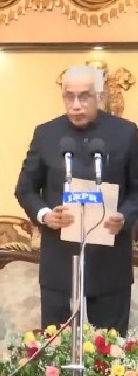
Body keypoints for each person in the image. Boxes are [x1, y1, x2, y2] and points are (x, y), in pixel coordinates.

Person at [14, 65, 138, 335]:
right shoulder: (46, 134)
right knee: (55, 350)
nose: (76, 105)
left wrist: (124, 216)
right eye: (69, 96)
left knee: (110, 353)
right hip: (60, 264)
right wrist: (45, 214)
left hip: (109, 263)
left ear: (100, 97)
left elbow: (136, 190)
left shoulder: (126, 133)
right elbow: (25, 188)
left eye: (84, 96)